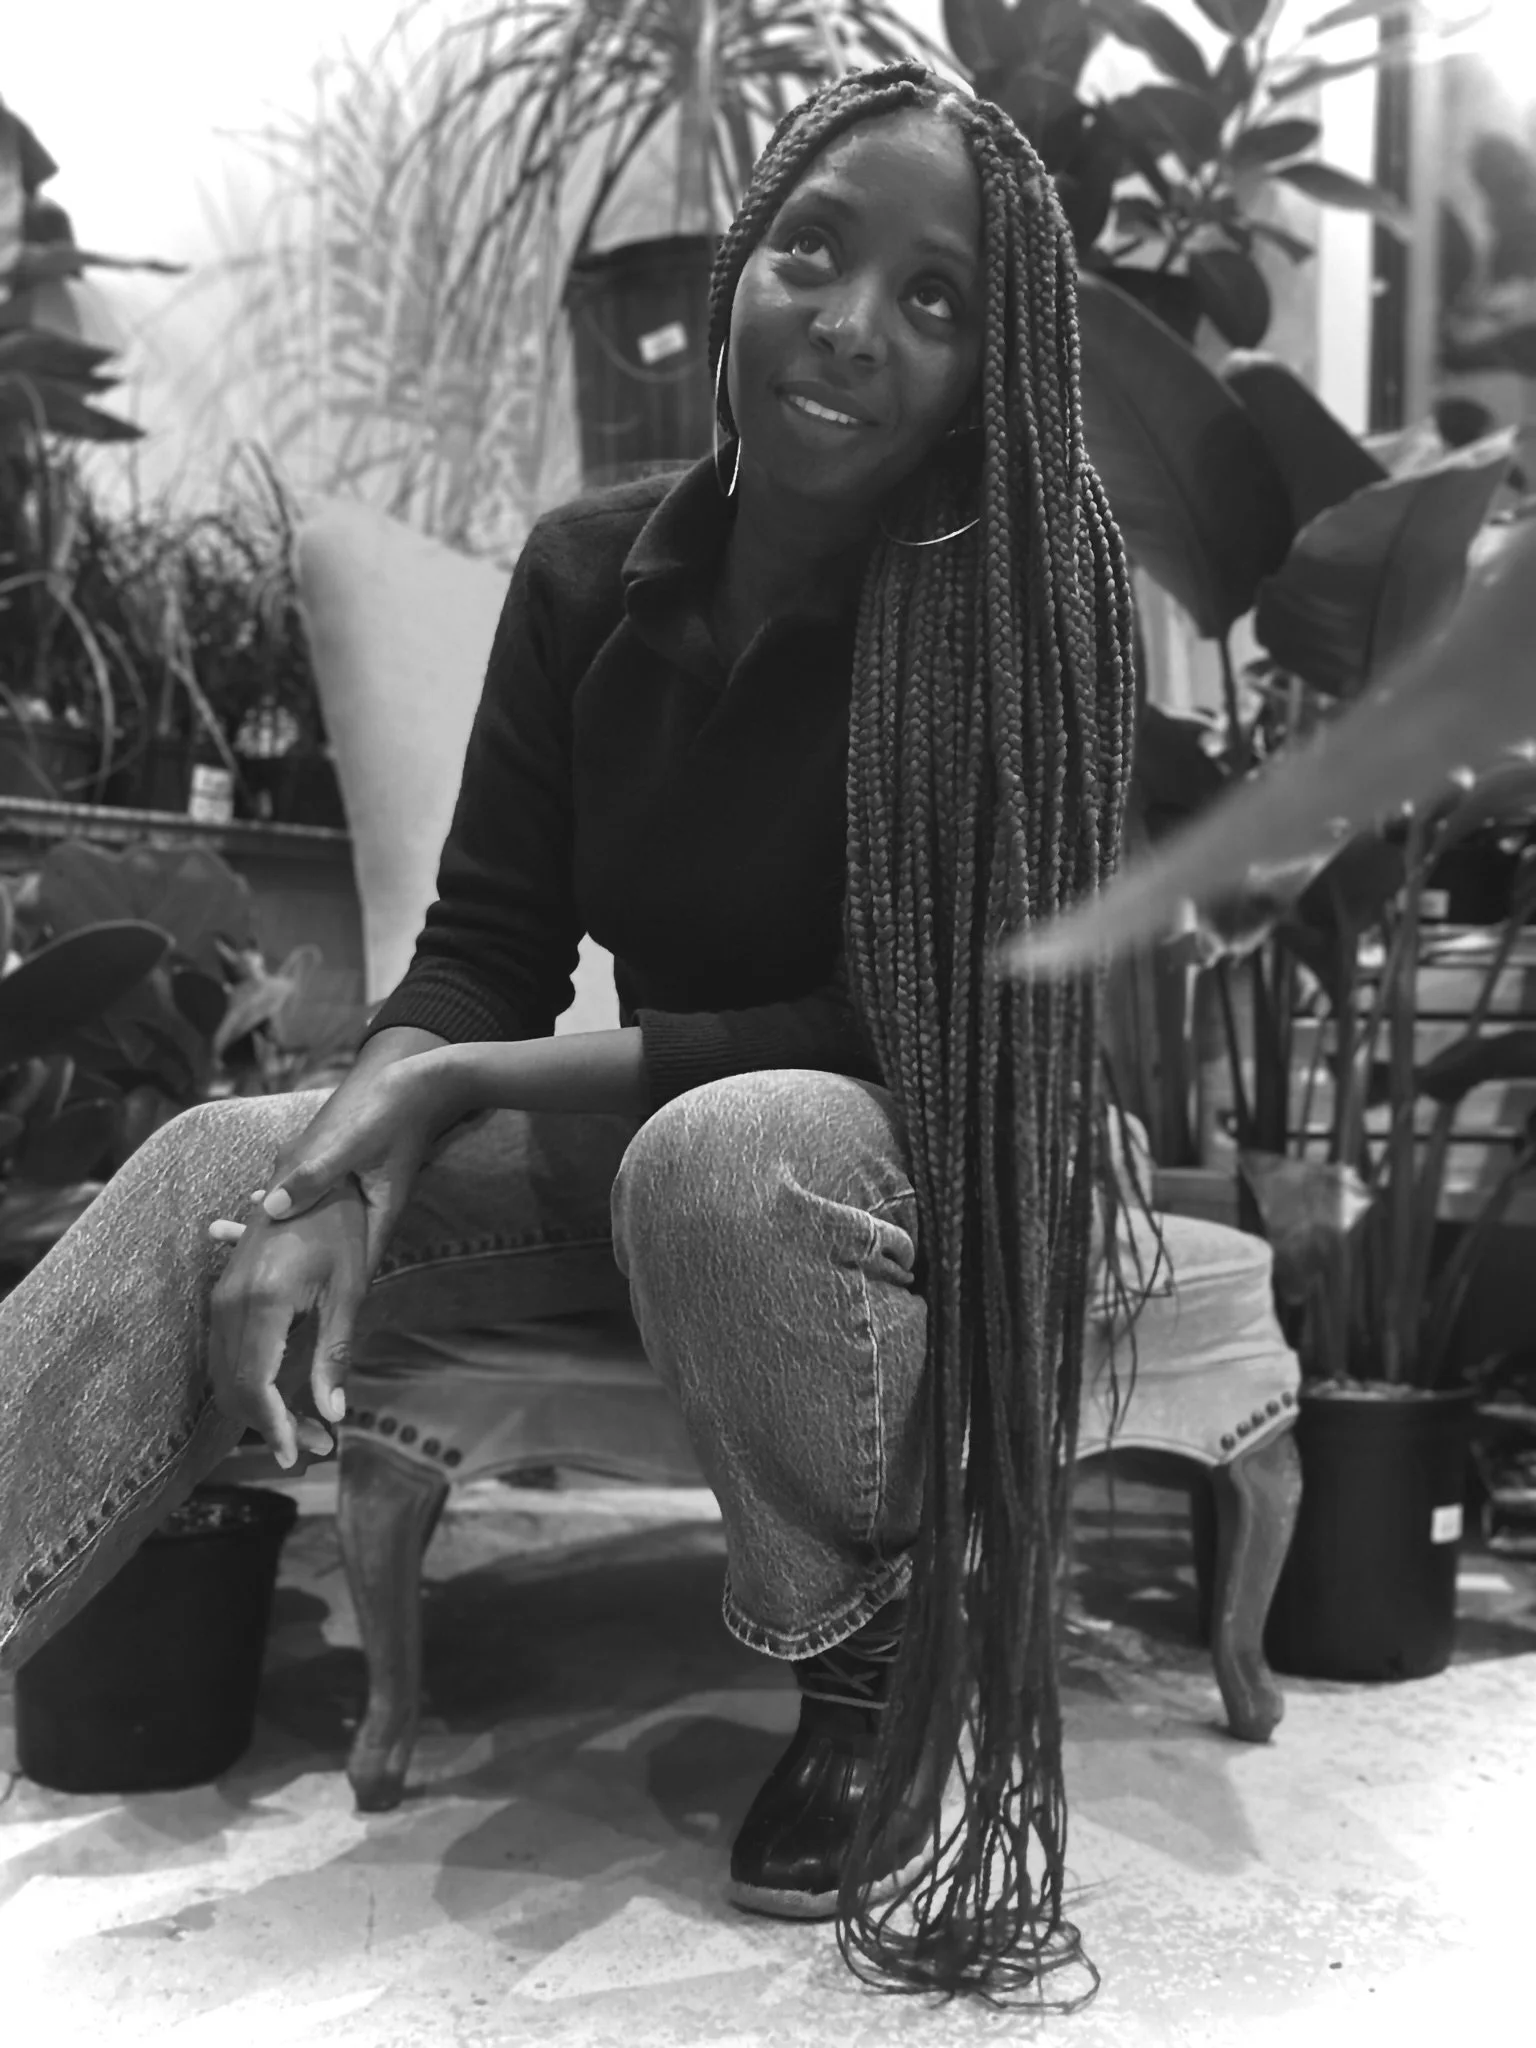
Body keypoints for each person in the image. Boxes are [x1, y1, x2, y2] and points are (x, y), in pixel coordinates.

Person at [0, 62, 1136, 2003]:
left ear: (987, 373)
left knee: (730, 1145)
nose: (851, 323)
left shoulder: (1013, 621)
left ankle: (871, 1668)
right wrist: (331, 1171)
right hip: (671, 1149)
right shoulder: (588, 572)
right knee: (217, 1160)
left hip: (922, 1155)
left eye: (936, 298)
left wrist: (451, 1081)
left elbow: (891, 1027)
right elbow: (485, 949)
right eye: (812, 252)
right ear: (742, 266)